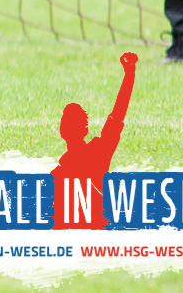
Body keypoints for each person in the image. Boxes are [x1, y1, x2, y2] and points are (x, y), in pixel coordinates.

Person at [52, 51, 138, 229]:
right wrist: (129, 74)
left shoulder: (98, 153)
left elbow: (118, 114)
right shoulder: (57, 174)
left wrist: (129, 75)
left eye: (69, 121)